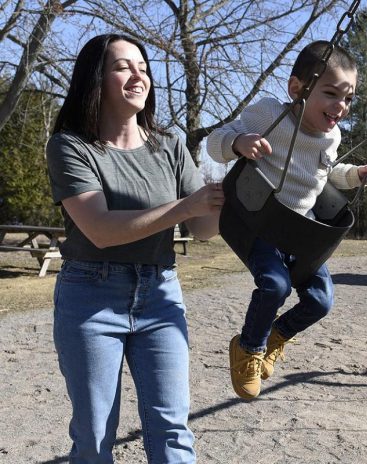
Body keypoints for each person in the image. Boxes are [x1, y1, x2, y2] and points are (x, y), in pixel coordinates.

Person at [46, 34, 223, 463]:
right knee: (94, 434)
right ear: (96, 79)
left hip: (160, 294)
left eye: (143, 67)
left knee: (172, 428)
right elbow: (100, 229)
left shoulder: (171, 146)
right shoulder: (70, 146)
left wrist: (240, 189)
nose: (138, 75)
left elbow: (203, 229)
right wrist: (185, 205)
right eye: (123, 66)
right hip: (91, 296)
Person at [206, 40, 367, 400]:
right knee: (275, 285)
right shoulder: (269, 114)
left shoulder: (332, 136)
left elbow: (328, 175)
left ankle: (276, 336)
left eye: (348, 99)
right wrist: (239, 142)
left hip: (300, 230)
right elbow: (214, 140)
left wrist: (357, 175)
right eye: (332, 94)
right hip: (260, 221)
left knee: (320, 300)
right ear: (296, 89)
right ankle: (248, 349)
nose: (341, 106)